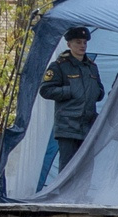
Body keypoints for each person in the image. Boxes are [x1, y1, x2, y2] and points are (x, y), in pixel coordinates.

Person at [38, 25, 105, 179]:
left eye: (84, 42)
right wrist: (68, 91)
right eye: (78, 42)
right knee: (67, 167)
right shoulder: (59, 66)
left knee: (87, 166)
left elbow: (99, 91)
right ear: (69, 44)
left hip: (88, 124)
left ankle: (83, 198)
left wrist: (96, 93)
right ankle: (63, 199)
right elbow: (45, 90)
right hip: (68, 124)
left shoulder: (91, 67)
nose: (82, 46)